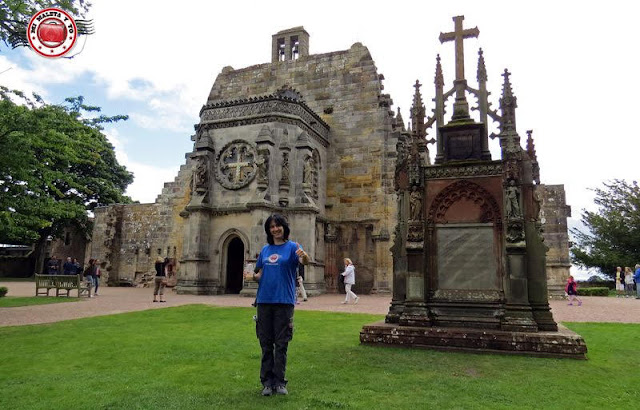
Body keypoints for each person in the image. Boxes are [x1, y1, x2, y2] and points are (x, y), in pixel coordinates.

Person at [243, 213, 310, 397]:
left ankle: (280, 382)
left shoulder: (293, 247)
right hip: (264, 301)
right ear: (268, 230)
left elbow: (305, 261)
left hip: (284, 301)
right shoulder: (265, 250)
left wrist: (304, 256)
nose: (275, 229)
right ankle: (266, 382)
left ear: (284, 227)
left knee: (281, 344)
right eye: (271, 227)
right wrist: (252, 277)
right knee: (265, 344)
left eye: (278, 226)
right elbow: (259, 273)